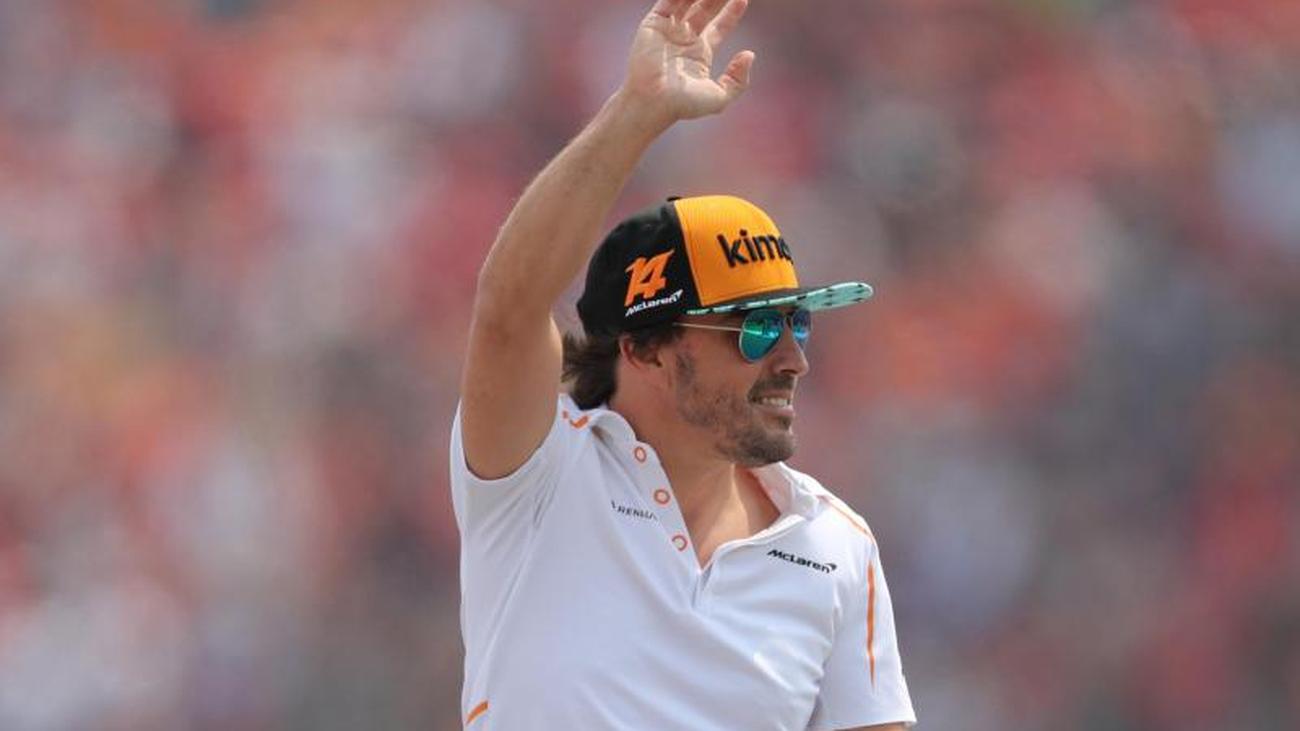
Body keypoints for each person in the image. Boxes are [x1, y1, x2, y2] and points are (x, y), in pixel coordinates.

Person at [451, 0, 915, 728]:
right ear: (644, 348)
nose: (793, 358)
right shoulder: (538, 473)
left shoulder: (834, 545)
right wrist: (637, 112)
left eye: (797, 321)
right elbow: (510, 308)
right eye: (755, 329)